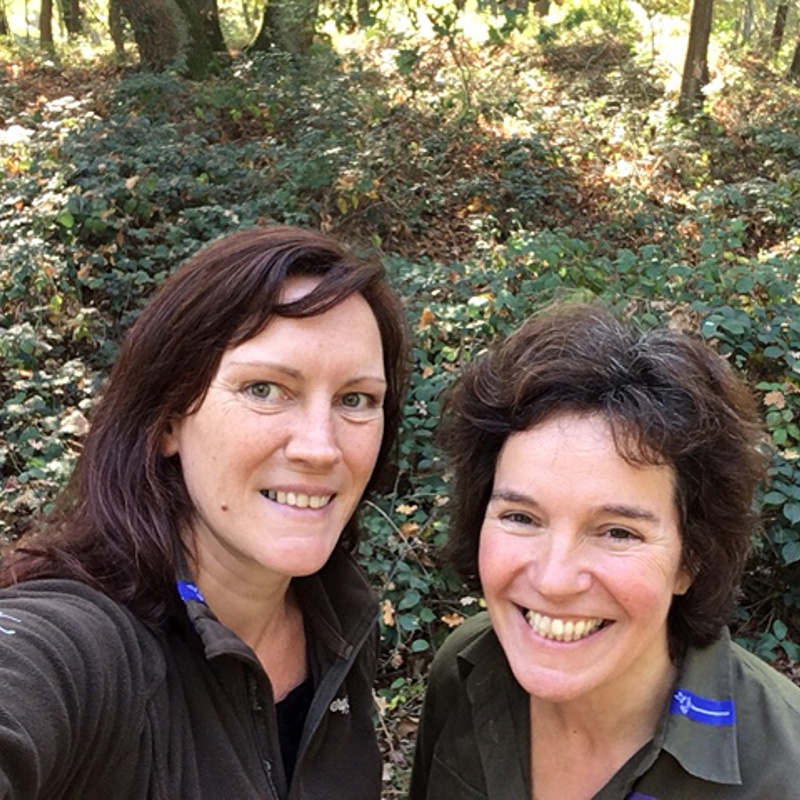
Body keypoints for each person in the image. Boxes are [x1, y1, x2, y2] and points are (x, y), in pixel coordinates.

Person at [0, 225, 409, 800]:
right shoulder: (85, 646)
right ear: (169, 420)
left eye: (356, 400)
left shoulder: (337, 626)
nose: (321, 447)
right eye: (265, 389)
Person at [410, 304, 800, 800]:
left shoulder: (783, 770)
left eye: (618, 532)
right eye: (521, 518)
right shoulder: (465, 670)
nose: (554, 579)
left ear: (691, 559)